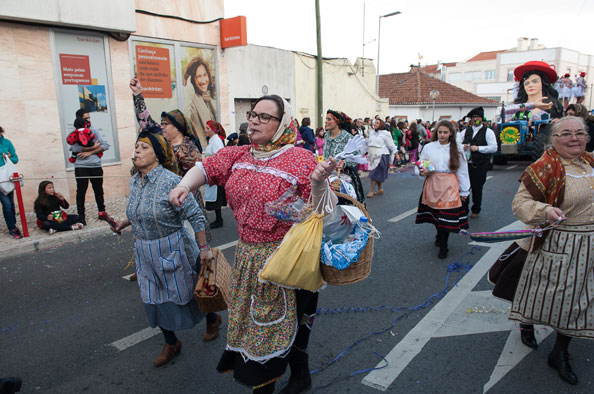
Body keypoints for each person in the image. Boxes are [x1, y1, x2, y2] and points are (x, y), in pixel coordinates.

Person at [169, 95, 338, 394]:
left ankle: (282, 380)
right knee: (257, 324)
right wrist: (184, 186)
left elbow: (324, 208)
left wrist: (318, 183)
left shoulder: (300, 159)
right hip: (248, 257)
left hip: (286, 256)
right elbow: (206, 169)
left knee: (283, 323)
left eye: (264, 117)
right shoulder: (239, 155)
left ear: (282, 124)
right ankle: (298, 376)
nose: (254, 121)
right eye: (253, 114)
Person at [110, 129, 220, 367]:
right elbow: (141, 209)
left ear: (158, 155)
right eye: (136, 146)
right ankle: (171, 342)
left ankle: (212, 318)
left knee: (192, 294)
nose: (137, 150)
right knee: (153, 299)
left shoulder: (171, 181)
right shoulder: (134, 180)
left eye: (144, 147)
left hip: (174, 249)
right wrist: (124, 222)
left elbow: (196, 217)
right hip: (145, 252)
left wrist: (204, 249)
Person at [509, 116, 594, 385]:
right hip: (559, 244)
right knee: (547, 297)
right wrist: (545, 210)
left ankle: (560, 352)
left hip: (590, 245)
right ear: (554, 140)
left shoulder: (591, 163)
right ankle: (527, 323)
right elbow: (520, 204)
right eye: (566, 134)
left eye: (579, 133)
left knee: (578, 302)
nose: (574, 138)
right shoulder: (545, 166)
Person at [130, 77, 212, 241]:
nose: (162, 127)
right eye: (161, 123)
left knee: (189, 242)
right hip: (162, 198)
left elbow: (197, 177)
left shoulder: (189, 148)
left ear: (178, 126)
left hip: (184, 199)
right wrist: (138, 95)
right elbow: (146, 122)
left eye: (166, 124)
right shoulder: (162, 143)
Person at [416, 120, 470, 259]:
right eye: (440, 132)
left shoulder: (456, 148)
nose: (442, 135)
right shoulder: (429, 147)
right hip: (433, 182)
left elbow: (462, 170)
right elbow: (421, 163)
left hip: (449, 183)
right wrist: (421, 172)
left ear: (451, 133)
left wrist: (464, 191)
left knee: (446, 215)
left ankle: (444, 245)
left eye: (445, 132)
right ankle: (439, 233)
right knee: (435, 214)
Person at [71, 110, 110, 226]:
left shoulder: (95, 131)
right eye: (86, 118)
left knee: (99, 191)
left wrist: (90, 152)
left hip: (95, 166)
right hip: (81, 167)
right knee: (81, 193)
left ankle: (102, 212)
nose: (89, 120)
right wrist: (94, 147)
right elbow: (74, 148)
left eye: (89, 117)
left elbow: (105, 145)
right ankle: (81, 217)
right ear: (80, 119)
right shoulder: (74, 133)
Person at [462, 107, 497, 219]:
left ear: (481, 119)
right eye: (473, 118)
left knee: (477, 188)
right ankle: (464, 210)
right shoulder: (465, 131)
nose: (475, 119)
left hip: (480, 164)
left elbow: (493, 147)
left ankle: (476, 209)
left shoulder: (488, 132)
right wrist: (462, 147)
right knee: (464, 188)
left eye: (477, 117)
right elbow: (456, 143)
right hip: (466, 165)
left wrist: (479, 148)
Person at [324, 110, 366, 203]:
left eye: (329, 119)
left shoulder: (347, 137)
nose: (326, 121)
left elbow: (357, 156)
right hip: (327, 175)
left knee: (345, 206)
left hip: (344, 178)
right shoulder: (326, 135)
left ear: (337, 121)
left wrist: (344, 163)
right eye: (326, 119)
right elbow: (325, 154)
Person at [183, 57, 217, 149]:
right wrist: (188, 93)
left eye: (205, 75)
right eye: (198, 76)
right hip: (201, 149)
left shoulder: (210, 98)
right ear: (192, 79)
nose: (203, 81)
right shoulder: (191, 100)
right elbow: (185, 120)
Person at [203, 120, 227, 229]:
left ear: (213, 130)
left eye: (208, 128)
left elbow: (220, 157)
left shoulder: (216, 140)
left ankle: (219, 220)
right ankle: (218, 219)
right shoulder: (212, 140)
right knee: (215, 196)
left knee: (216, 196)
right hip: (211, 170)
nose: (205, 130)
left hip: (216, 172)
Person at [0, 126, 22, 239]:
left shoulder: (7, 142)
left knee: (10, 203)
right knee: (7, 204)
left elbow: (15, 159)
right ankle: (12, 227)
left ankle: (13, 225)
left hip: (7, 177)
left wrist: (8, 157)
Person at [366, 119, 397, 198]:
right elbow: (369, 143)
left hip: (382, 154)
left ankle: (371, 191)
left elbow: (391, 145)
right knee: (378, 172)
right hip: (373, 154)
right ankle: (380, 189)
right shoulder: (371, 132)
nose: (375, 124)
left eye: (377, 123)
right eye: (375, 122)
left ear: (381, 124)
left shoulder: (386, 134)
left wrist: (396, 153)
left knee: (374, 172)